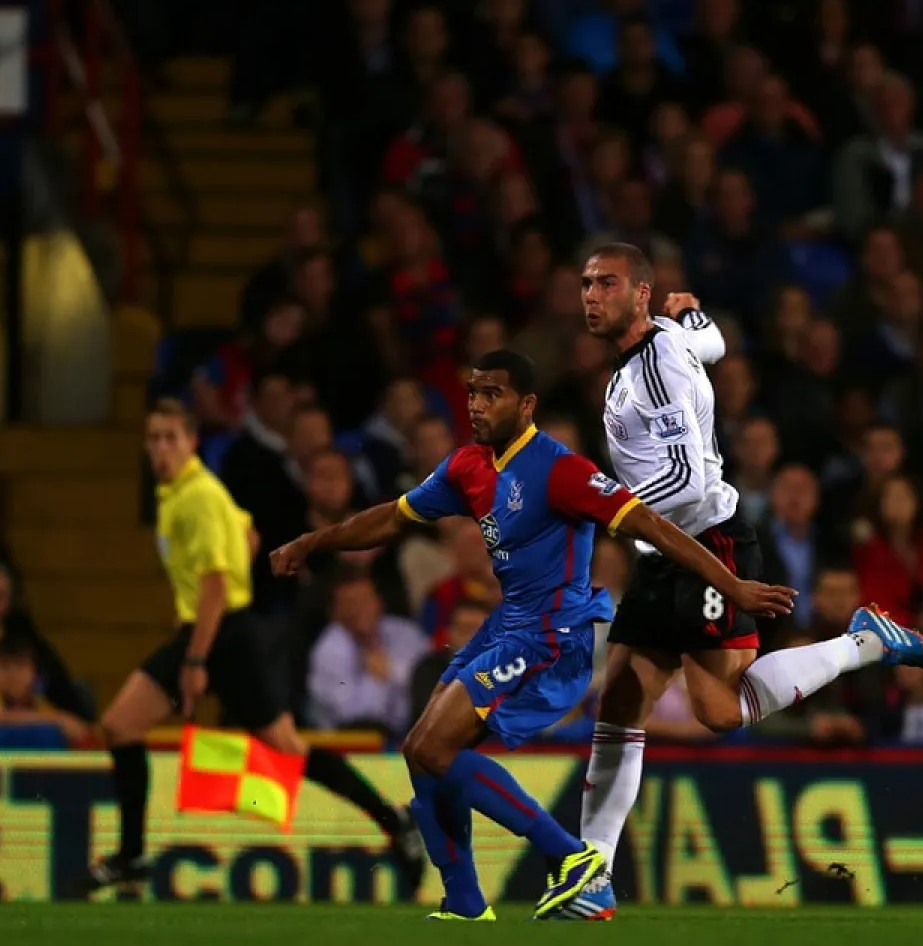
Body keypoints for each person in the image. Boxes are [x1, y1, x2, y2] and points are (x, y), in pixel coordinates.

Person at [269, 350, 796, 921]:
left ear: (526, 405)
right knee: (422, 754)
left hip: (552, 636)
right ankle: (467, 903)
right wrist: (313, 542)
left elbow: (651, 525)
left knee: (432, 750)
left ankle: (575, 863)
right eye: (472, 392)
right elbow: (394, 518)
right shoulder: (468, 466)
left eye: (491, 393)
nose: (476, 404)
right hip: (508, 627)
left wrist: (731, 584)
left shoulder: (559, 469)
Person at [568, 243, 923, 919]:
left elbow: (687, 480)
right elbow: (712, 345)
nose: (590, 295)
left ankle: (862, 643)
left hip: (709, 542)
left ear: (641, 293)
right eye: (586, 284)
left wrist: (605, 505)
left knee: (719, 708)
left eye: (607, 283)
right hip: (663, 551)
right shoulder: (664, 342)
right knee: (620, 704)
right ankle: (589, 880)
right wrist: (694, 317)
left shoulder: (655, 371)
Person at [75, 399, 424, 895]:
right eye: (153, 438)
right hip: (215, 630)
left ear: (192, 442)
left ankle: (131, 854)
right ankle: (393, 820)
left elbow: (216, 583)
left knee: (124, 726)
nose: (161, 448)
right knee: (138, 728)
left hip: (218, 634)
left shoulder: (196, 495)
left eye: (171, 437)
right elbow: (247, 532)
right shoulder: (179, 492)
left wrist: (196, 658)